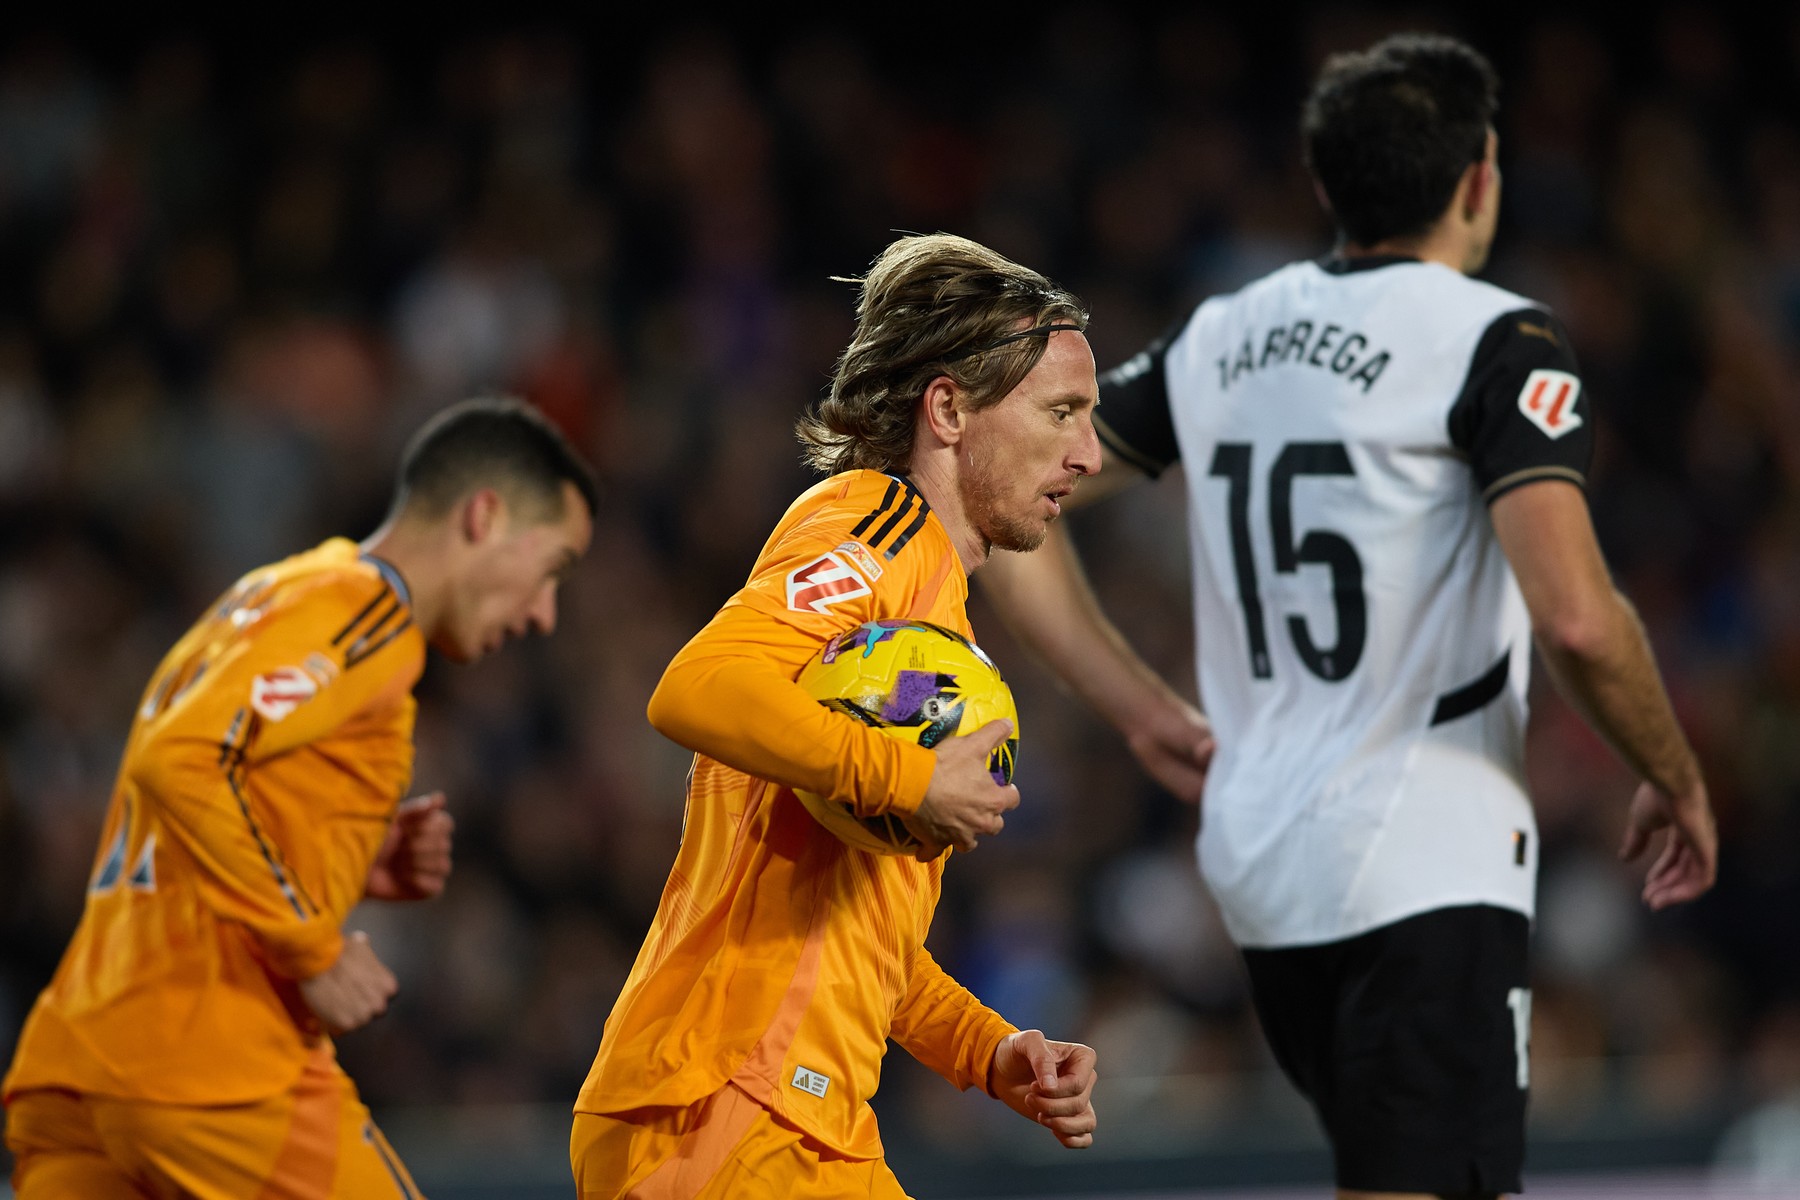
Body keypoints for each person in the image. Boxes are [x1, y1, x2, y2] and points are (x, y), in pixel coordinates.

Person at [976, 32, 1719, 1200]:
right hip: (1424, 849)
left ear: (1327, 186)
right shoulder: (1498, 339)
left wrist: (1135, 709)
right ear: (1480, 177)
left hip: (1264, 862)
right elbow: (1576, 618)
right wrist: (1671, 770)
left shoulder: (1219, 337)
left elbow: (1004, 510)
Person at [571, 232, 1100, 1199]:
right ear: (948, 409)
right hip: (727, 1105)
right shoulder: (873, 522)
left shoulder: (928, 633)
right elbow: (695, 686)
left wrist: (992, 1051)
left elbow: (861, 934)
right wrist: (905, 776)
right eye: (1061, 412)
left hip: (803, 1121)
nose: (1089, 454)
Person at [3, 396, 597, 1199]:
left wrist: (349, 857)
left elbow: (201, 779)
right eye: (552, 568)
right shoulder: (361, 613)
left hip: (83, 1060)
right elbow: (180, 760)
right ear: (484, 517)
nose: (543, 613)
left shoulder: (266, 597)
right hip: (213, 1067)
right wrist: (312, 945)